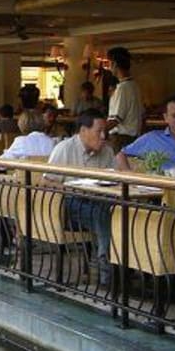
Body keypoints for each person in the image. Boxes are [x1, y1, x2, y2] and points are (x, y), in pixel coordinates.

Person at [46, 109, 117, 284]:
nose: (103, 136)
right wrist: (73, 189)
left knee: (124, 214)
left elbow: (114, 180)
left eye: (105, 132)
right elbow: (46, 182)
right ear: (83, 131)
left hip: (100, 199)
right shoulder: (65, 149)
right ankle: (107, 272)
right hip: (69, 204)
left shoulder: (107, 152)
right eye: (98, 131)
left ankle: (124, 268)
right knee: (103, 215)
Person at [118, 94, 175, 172]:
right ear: (166, 118)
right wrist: (129, 177)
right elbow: (121, 155)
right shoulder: (152, 138)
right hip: (160, 189)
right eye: (174, 115)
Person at [105, 46, 143, 152]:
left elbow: (115, 120)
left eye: (109, 64)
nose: (108, 67)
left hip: (121, 139)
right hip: (133, 137)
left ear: (115, 64)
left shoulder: (123, 88)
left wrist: (98, 132)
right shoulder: (134, 86)